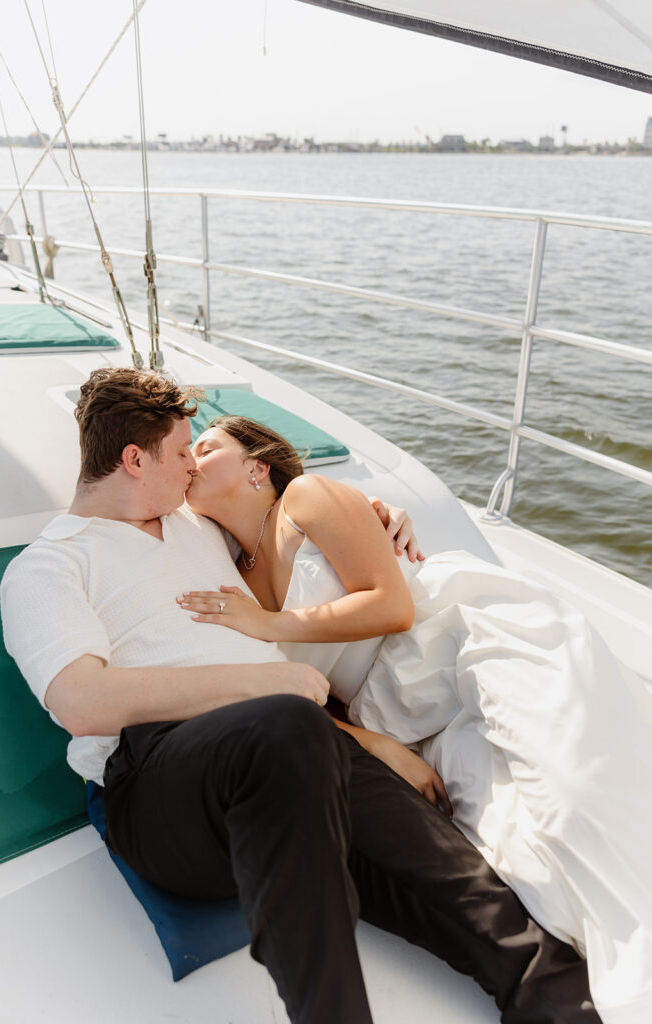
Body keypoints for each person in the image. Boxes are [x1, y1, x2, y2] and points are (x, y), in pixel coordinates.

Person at [0, 367, 600, 1024]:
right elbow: (81, 701)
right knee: (283, 726)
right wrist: (265, 685)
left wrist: (377, 518)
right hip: (166, 789)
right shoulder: (50, 565)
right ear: (134, 459)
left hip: (295, 744)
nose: (190, 472)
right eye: (180, 454)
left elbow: (282, 527)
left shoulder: (198, 529)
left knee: (495, 919)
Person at [181, 414, 652, 1024]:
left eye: (206, 446)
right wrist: (372, 743)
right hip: (403, 717)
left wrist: (270, 624)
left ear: (256, 466)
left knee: (571, 797)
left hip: (463, 642)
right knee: (517, 850)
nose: (193, 458)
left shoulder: (305, 497)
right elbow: (296, 691)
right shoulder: (229, 571)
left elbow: (393, 605)